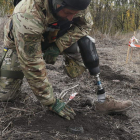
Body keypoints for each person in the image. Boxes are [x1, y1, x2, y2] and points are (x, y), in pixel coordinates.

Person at [0, 0, 133, 120]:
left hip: (55, 38)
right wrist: (50, 101)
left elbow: (85, 25)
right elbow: (31, 62)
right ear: (57, 3)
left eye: (74, 14)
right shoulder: (27, 13)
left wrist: (58, 46)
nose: (71, 17)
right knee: (6, 96)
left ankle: (102, 99)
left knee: (86, 43)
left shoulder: (76, 3)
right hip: (22, 44)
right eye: (68, 13)